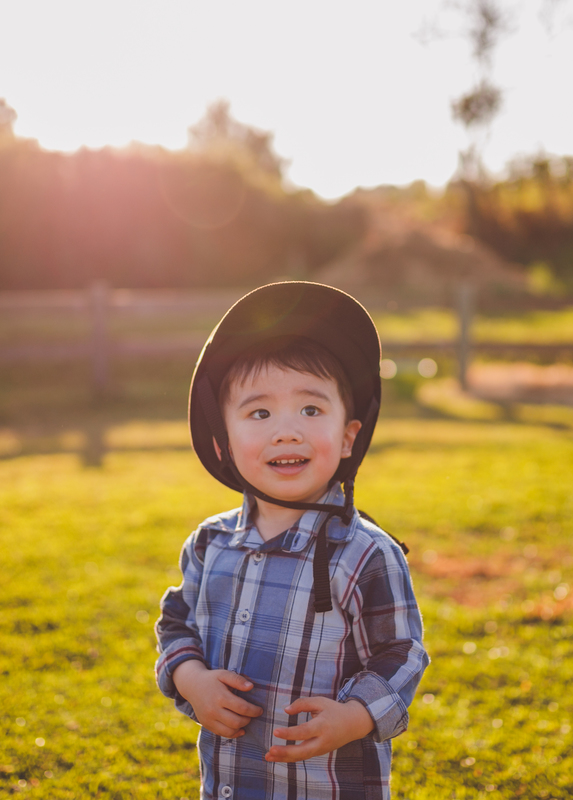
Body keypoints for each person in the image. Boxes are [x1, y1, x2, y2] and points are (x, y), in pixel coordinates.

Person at [155, 282, 429, 800]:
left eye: (310, 410)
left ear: (348, 435)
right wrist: (191, 678)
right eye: (260, 414)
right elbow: (176, 622)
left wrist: (354, 716)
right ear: (224, 441)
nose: (286, 431)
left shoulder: (366, 554)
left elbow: (401, 652)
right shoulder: (210, 544)